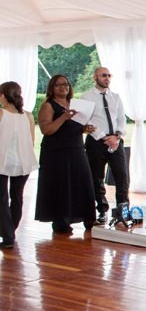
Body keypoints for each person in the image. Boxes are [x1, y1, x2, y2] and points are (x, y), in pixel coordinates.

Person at [35, 74, 97, 234]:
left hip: (75, 148)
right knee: (61, 185)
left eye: (66, 84)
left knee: (83, 182)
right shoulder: (48, 106)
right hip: (56, 152)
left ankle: (88, 218)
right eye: (58, 85)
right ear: (52, 88)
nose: (63, 87)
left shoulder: (74, 104)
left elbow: (73, 127)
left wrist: (85, 129)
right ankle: (61, 220)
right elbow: (47, 130)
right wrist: (63, 117)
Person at [80, 66, 129, 224]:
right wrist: (103, 137)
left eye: (108, 75)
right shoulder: (86, 97)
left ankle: (123, 211)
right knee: (96, 177)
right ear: (95, 77)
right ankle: (102, 210)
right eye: (103, 75)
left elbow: (122, 119)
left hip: (116, 141)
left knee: (122, 177)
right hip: (96, 142)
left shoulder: (116, 96)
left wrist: (117, 136)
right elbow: (86, 121)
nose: (107, 78)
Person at [0, 82, 38, 249]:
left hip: (3, 161)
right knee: (17, 197)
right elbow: (31, 140)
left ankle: (8, 235)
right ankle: (10, 232)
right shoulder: (28, 115)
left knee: (2, 199)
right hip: (23, 162)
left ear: (3, 95)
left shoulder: (1, 113)